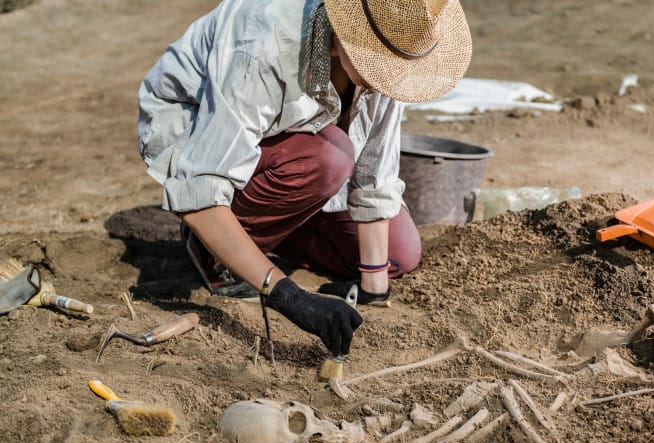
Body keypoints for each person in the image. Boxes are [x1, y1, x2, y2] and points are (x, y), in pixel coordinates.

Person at [137, 0, 472, 359]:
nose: (386, 77)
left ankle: (268, 227)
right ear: (348, 32)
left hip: (297, 149)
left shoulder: (393, 46)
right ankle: (212, 252)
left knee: (398, 254)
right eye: (378, 62)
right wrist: (289, 297)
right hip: (198, 136)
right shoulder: (264, 46)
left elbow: (375, 170)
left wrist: (374, 288)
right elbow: (199, 190)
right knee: (330, 157)